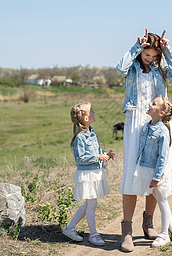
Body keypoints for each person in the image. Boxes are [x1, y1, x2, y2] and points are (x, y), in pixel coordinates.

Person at [116, 29, 172, 252]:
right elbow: (120, 66)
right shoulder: (132, 68)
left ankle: (149, 223)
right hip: (136, 120)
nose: (151, 59)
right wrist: (136, 47)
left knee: (157, 171)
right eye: (148, 54)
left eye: (155, 56)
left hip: (160, 123)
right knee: (132, 173)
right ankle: (126, 230)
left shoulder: (161, 68)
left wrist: (167, 50)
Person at [130, 96, 172, 247]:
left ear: (161, 113)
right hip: (146, 169)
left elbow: (163, 157)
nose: (150, 104)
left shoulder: (162, 131)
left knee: (162, 201)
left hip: (156, 172)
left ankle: (164, 235)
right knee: (161, 199)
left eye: (154, 104)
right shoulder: (146, 126)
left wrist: (157, 177)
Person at [62, 102, 115, 246]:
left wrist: (104, 153)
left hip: (95, 172)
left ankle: (70, 228)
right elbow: (79, 158)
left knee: (90, 204)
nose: (94, 113)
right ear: (85, 118)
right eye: (91, 111)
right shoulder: (80, 137)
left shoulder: (91, 132)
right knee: (91, 204)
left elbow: (94, 150)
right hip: (87, 175)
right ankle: (93, 235)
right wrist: (97, 157)